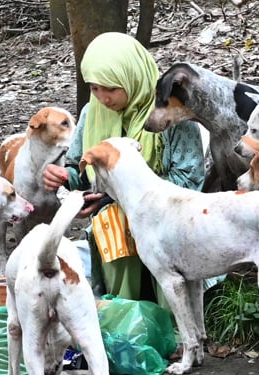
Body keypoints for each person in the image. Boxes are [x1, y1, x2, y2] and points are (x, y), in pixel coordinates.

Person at [42, 32, 205, 306]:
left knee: (123, 216)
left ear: (132, 76)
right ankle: (125, 311)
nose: (103, 99)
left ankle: (175, 320)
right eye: (95, 88)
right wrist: (65, 178)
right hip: (118, 219)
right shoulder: (91, 113)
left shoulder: (170, 112)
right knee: (113, 220)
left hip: (173, 215)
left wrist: (114, 197)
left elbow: (189, 180)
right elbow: (82, 171)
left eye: (112, 88)